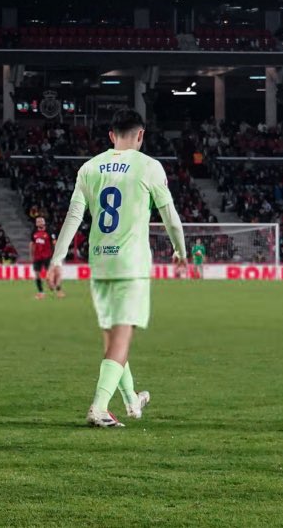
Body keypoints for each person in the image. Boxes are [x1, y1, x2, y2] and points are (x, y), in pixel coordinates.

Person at [47, 109, 187, 427]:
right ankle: (98, 407)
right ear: (140, 135)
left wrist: (57, 260)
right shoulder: (149, 167)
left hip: (100, 262)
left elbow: (73, 217)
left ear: (111, 136)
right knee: (121, 341)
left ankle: (130, 401)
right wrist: (180, 251)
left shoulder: (90, 167)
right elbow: (170, 216)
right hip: (131, 263)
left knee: (113, 342)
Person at [30, 216, 61, 299]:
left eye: (41, 221)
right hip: (37, 257)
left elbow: (54, 242)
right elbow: (32, 244)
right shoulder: (34, 232)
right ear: (36, 223)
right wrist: (31, 254)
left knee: (50, 276)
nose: (39, 222)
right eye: (38, 221)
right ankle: (41, 293)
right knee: (37, 275)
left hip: (48, 256)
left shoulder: (49, 231)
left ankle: (58, 290)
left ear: (44, 222)